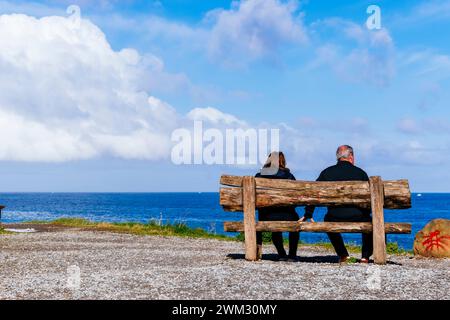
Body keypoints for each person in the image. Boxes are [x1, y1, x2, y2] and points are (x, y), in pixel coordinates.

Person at [300, 145, 373, 263]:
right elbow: (369, 199)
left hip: (335, 216)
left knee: (327, 219)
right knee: (370, 222)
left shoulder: (327, 172)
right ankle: (365, 256)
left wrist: (308, 213)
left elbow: (314, 193)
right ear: (351, 157)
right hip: (358, 216)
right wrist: (365, 212)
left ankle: (343, 255)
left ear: (337, 157)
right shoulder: (361, 173)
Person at [256, 152, 300, 262]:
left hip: (267, 217)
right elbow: (296, 198)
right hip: (288, 215)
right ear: (282, 161)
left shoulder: (259, 176)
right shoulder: (289, 177)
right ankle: (292, 255)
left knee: (275, 224)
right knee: (295, 222)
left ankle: (281, 254)